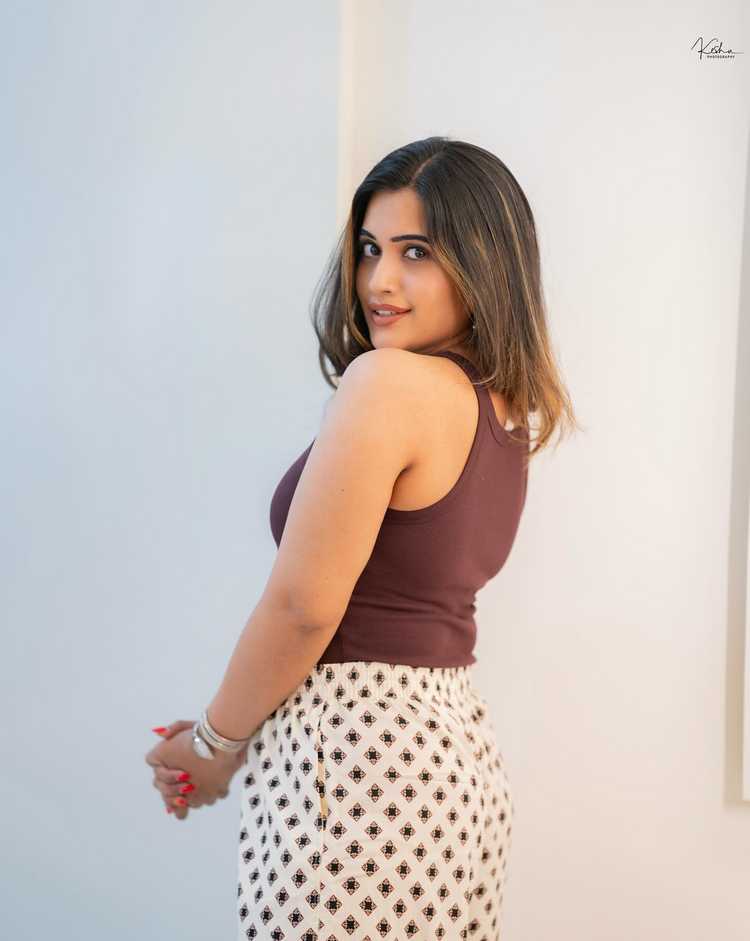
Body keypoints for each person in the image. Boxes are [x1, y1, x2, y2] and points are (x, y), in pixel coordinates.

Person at [144, 136, 578, 939]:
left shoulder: (389, 383)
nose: (379, 280)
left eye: (417, 252)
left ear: (485, 262)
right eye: (371, 248)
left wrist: (212, 743)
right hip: (452, 755)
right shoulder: (501, 407)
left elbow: (304, 607)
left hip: (358, 763)